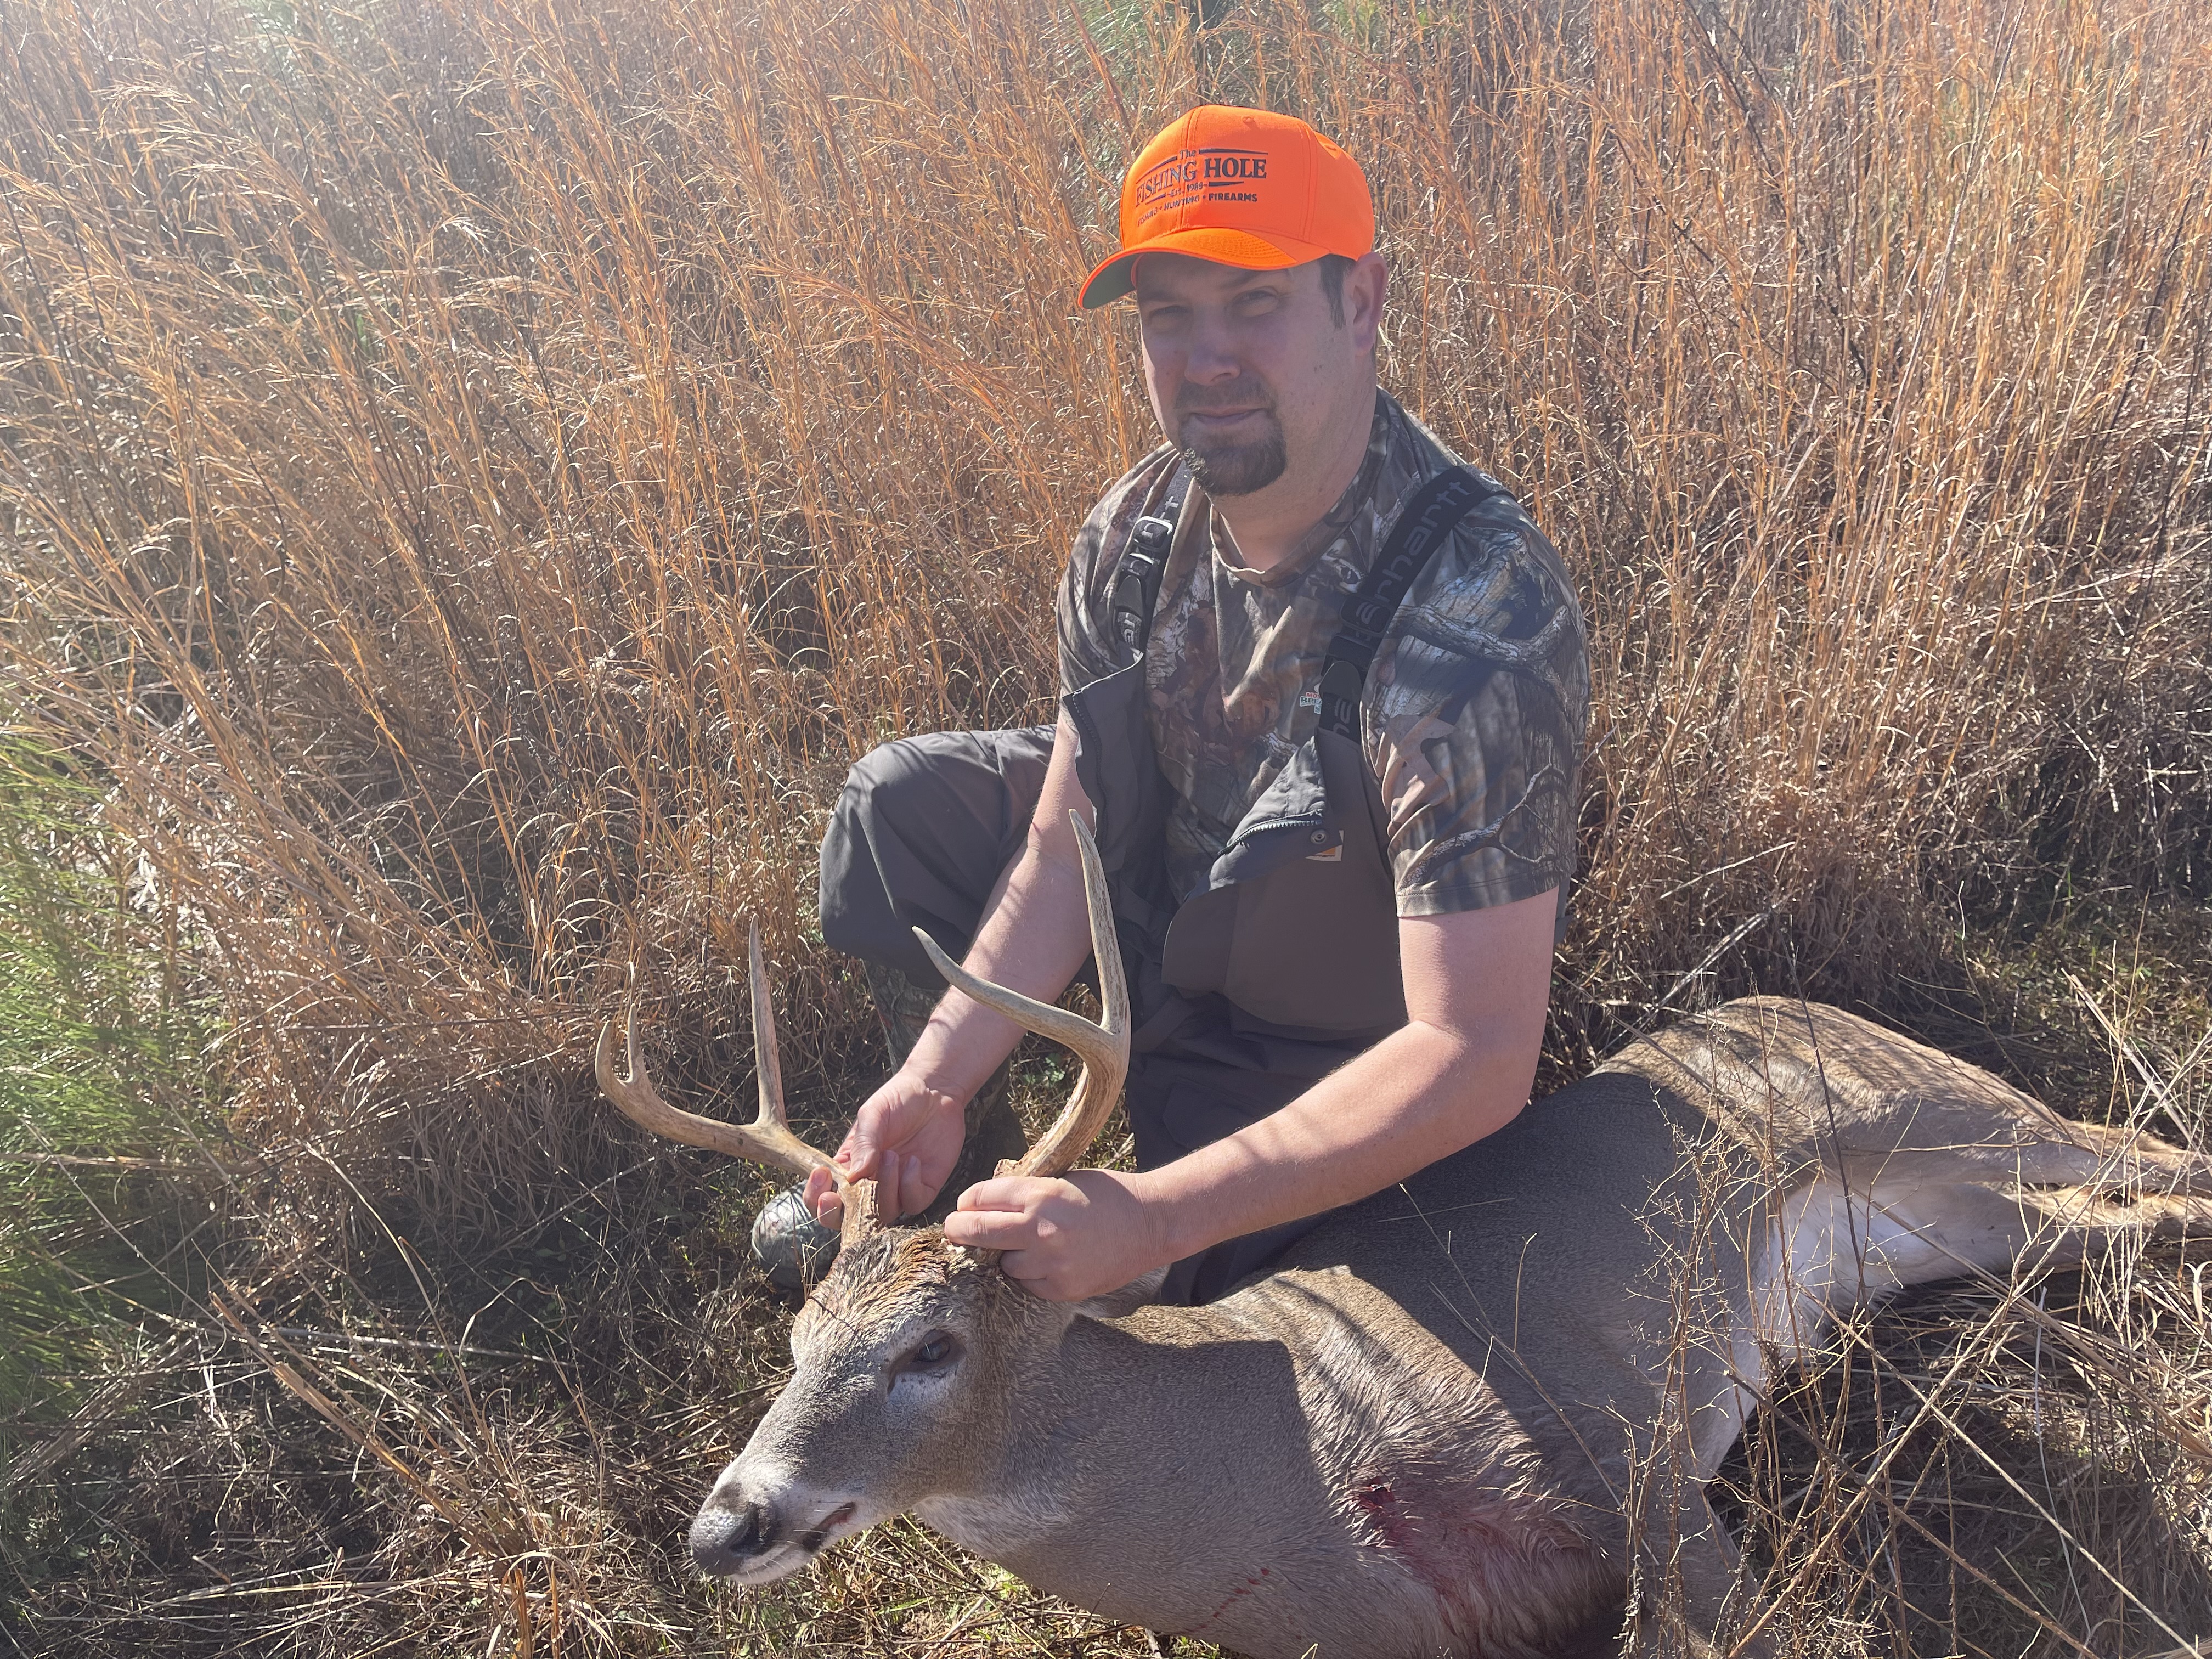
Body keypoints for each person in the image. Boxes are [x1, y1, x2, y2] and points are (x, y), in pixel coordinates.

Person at [755, 104, 1589, 1307]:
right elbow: (1066, 846)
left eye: (1254, 302)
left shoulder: (1479, 620)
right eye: (1168, 315)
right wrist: (940, 1075)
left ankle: (1130, 1218)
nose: (1206, 360)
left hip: (1309, 1021)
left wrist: (1156, 1215)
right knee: (899, 805)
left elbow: (1477, 1053)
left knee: (1170, 1303)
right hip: (1163, 914)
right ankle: (941, 1165)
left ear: (1362, 301)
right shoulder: (1133, 534)